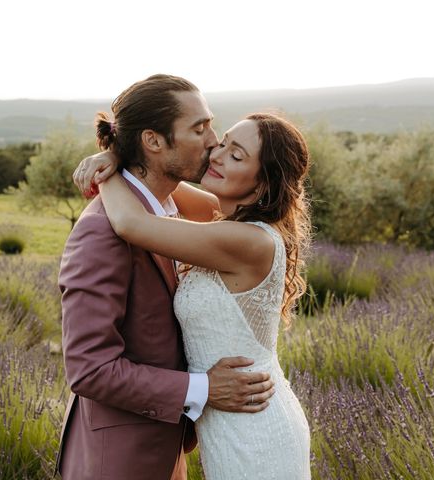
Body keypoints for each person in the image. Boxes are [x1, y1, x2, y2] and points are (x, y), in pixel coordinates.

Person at [57, 74, 275, 480]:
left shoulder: (172, 208)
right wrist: (204, 390)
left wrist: (114, 160)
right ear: (154, 141)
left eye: (212, 126)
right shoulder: (101, 232)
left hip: (174, 446)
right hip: (121, 462)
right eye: (199, 128)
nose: (213, 141)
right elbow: (89, 369)